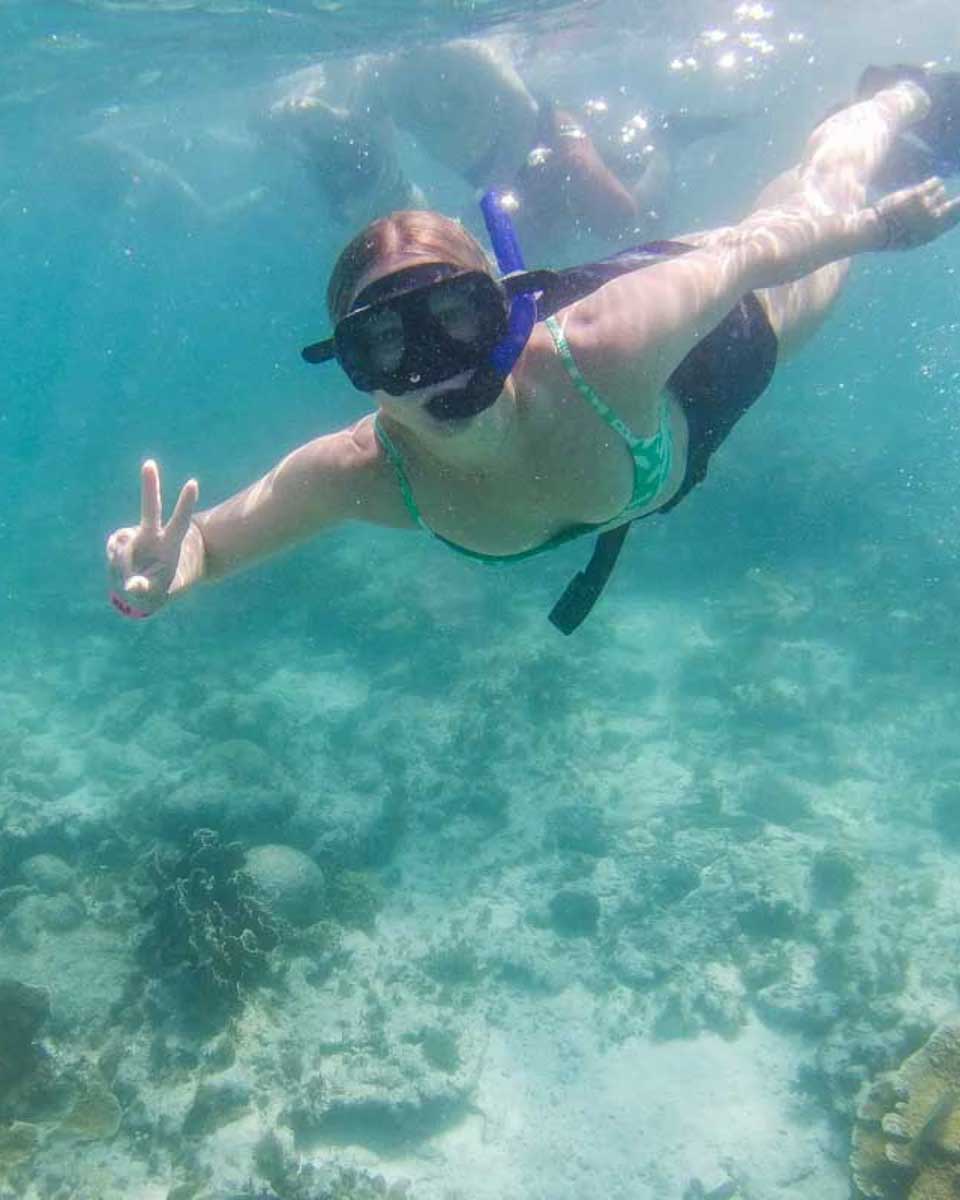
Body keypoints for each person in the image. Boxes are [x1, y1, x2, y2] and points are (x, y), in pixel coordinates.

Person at [106, 68, 960, 635]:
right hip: (640, 426)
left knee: (814, 202)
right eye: (386, 345)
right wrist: (175, 566)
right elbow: (210, 543)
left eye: (457, 318)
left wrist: (874, 228)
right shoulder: (367, 472)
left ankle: (894, 100)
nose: (437, 367)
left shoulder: (610, 343)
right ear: (356, 372)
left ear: (507, 312)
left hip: (713, 351)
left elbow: (748, 257)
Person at [257, 39, 735, 259]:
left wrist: (518, 184)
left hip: (543, 134)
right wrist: (305, 116)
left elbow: (521, 107)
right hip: (494, 174)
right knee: (529, 264)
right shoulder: (377, 78)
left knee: (621, 220)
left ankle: (667, 143)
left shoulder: (458, 50)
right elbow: (364, 139)